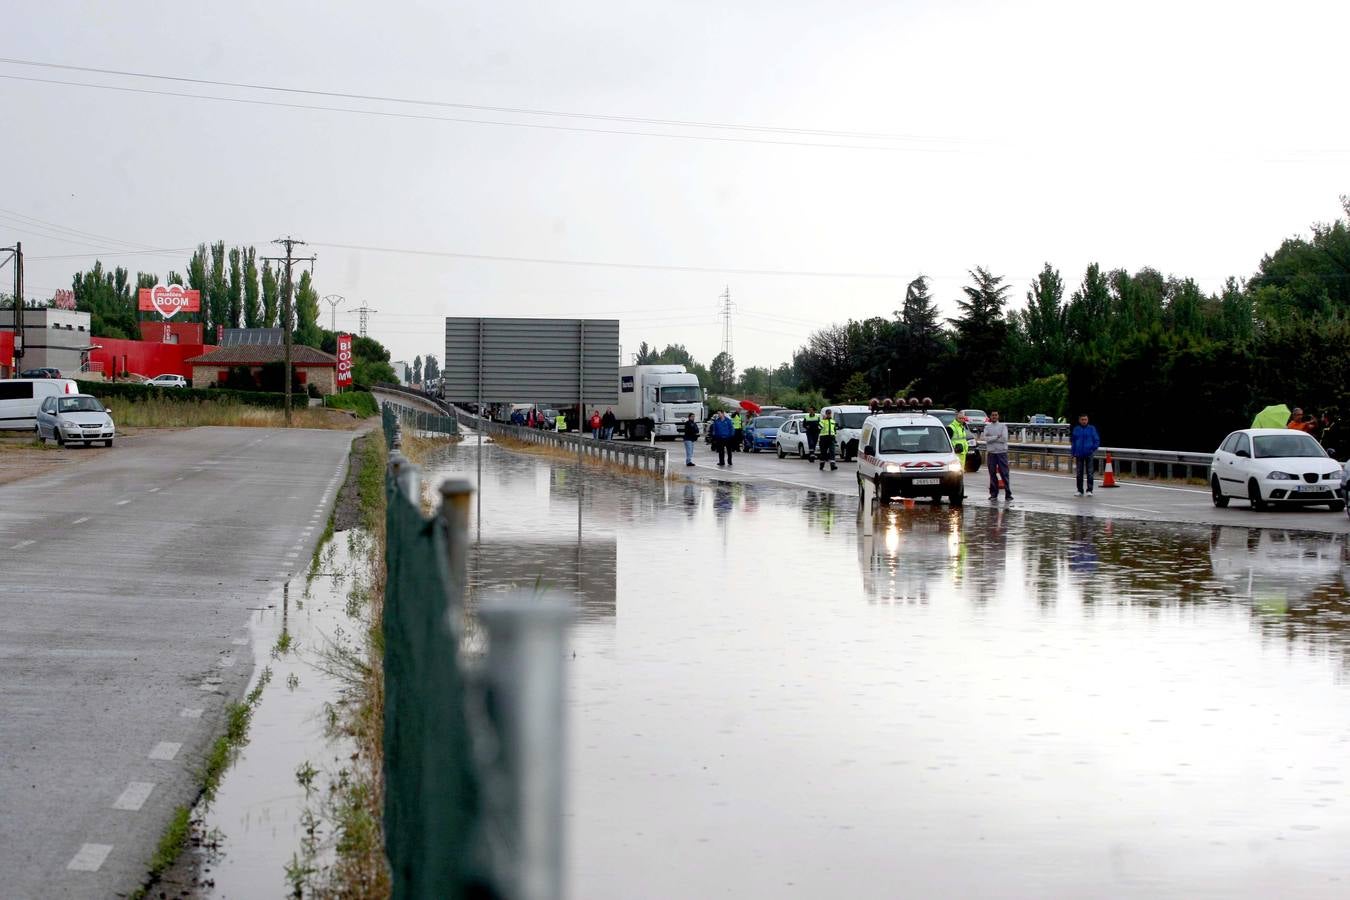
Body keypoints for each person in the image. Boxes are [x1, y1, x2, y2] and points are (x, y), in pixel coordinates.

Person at [980, 410, 1013, 501]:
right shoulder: (987, 427)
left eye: (996, 415)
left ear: (998, 416)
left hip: (1001, 453)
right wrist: (996, 437)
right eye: (992, 415)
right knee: (992, 474)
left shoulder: (1003, 426)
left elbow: (1004, 439)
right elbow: (985, 439)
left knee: (1004, 474)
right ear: (990, 416)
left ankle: (1008, 494)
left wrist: (992, 438)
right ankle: (993, 494)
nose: (994, 416)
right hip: (991, 454)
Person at [1071, 413, 1101, 496]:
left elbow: (1096, 440)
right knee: (1079, 473)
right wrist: (1073, 453)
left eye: (1085, 419)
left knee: (1090, 473)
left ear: (1088, 420)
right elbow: (1073, 442)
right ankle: (1080, 490)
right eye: (1082, 419)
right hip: (1079, 454)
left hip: (1089, 453)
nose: (1084, 421)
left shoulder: (1092, 428)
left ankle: (1089, 490)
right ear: (1079, 420)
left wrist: (1092, 449)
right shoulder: (1076, 429)